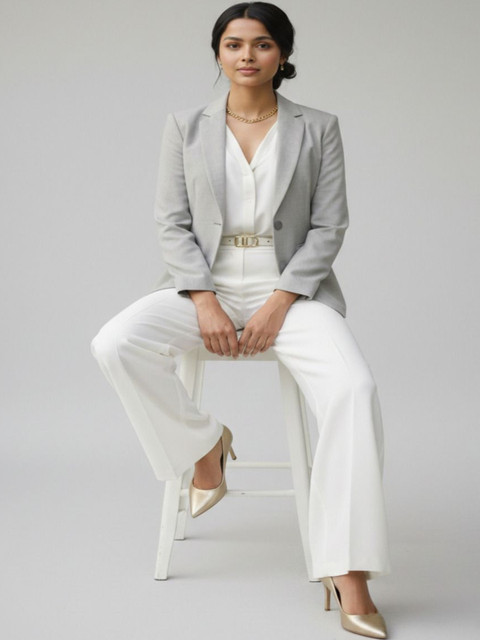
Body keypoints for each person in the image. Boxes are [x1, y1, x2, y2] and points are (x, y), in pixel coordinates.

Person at [91, 2, 391, 637]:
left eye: (261, 44)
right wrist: (203, 298)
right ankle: (204, 445)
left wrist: (282, 301)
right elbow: (171, 223)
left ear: (283, 54)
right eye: (234, 44)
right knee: (116, 343)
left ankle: (348, 567)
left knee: (354, 390)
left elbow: (329, 226)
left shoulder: (318, 127)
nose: (247, 55)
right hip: (207, 282)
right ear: (218, 53)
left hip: (292, 291)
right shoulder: (185, 126)